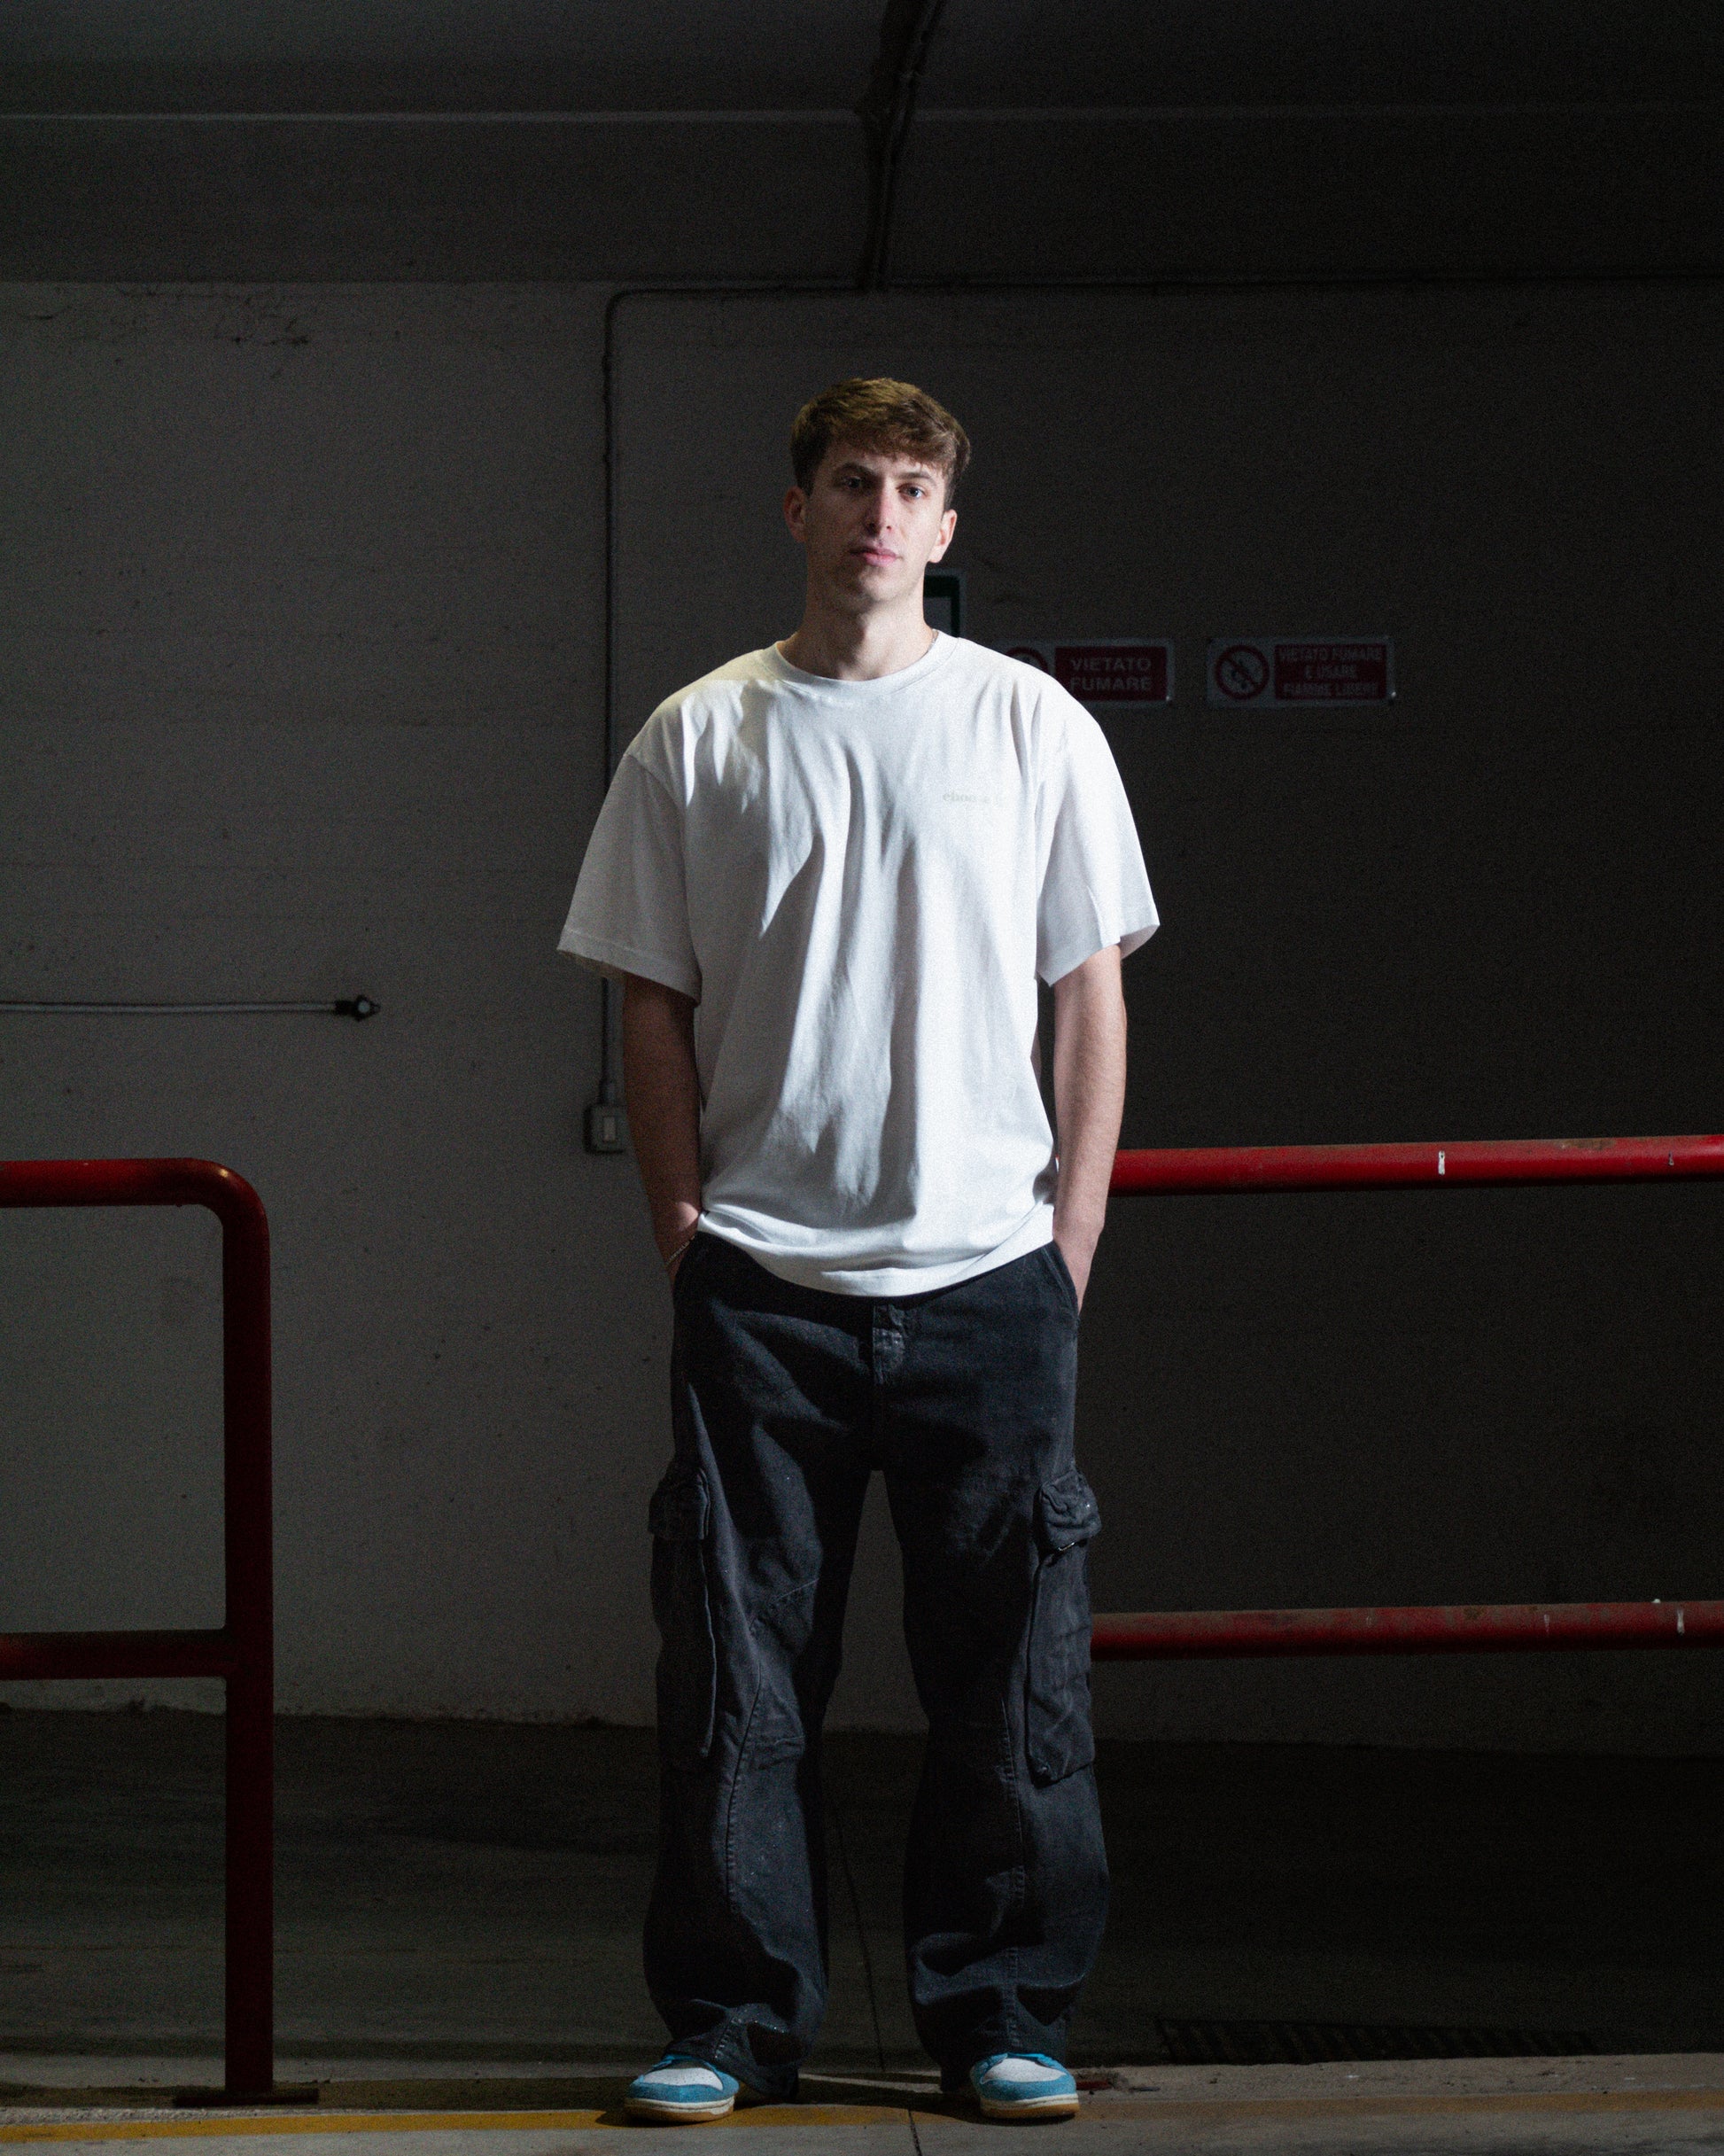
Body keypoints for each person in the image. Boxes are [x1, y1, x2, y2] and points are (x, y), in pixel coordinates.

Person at [559, 377, 1156, 2123]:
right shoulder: (699, 734)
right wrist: (686, 1231)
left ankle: (1001, 2012)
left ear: (945, 525)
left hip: (990, 1280)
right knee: (737, 1679)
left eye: (909, 487)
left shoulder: (1030, 724)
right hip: (762, 1284)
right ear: (798, 509)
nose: (878, 512)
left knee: (1012, 1681)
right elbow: (648, 1004)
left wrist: (1068, 1239)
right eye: (849, 481)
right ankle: (732, 2021)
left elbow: (1088, 995)